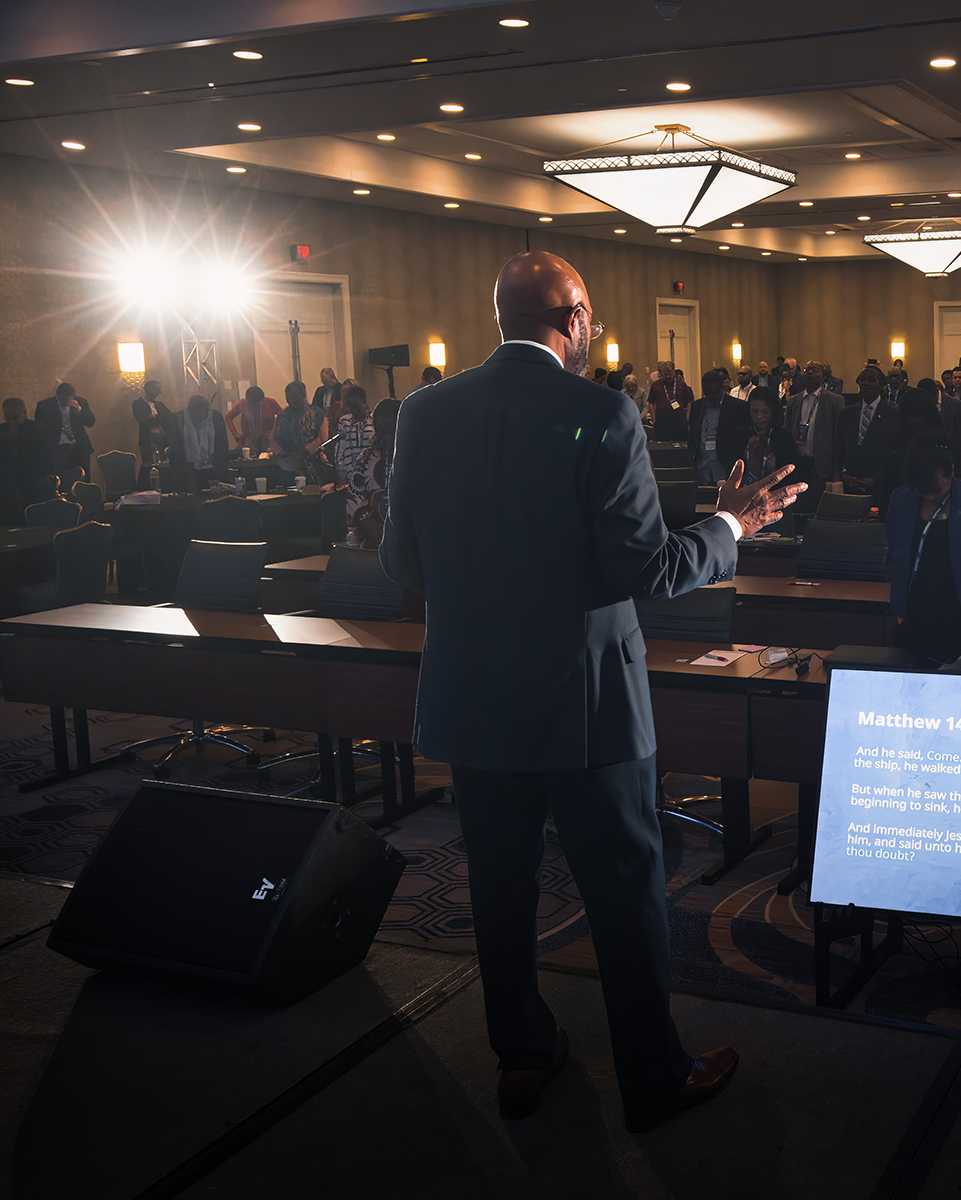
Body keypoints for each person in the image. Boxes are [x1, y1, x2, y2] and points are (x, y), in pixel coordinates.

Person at [381, 250, 803, 1132]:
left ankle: (523, 1055)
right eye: (593, 321)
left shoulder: (422, 412)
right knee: (623, 894)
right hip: (585, 712)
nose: (594, 335)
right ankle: (652, 1078)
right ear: (573, 320)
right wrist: (732, 523)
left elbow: (399, 563)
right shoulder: (601, 412)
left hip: (472, 703)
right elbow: (646, 569)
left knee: (499, 889)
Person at [885, 434, 961, 665]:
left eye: (936, 490)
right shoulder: (901, 499)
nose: (928, 496)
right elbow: (896, 548)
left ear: (950, 471)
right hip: (917, 613)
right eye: (921, 491)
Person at [343, 398, 397, 549]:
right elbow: (353, 499)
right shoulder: (366, 458)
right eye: (382, 423)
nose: (387, 430)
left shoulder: (415, 457)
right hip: (373, 545)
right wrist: (368, 524)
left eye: (390, 423)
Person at [839, 365, 899, 498]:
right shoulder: (847, 413)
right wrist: (843, 474)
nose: (866, 383)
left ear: (882, 384)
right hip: (850, 484)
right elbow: (839, 446)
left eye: (871, 380)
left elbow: (895, 454)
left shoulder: (893, 414)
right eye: (863, 379)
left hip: (880, 486)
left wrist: (876, 479)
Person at [723, 388, 800, 490]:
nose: (759, 416)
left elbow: (790, 473)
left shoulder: (784, 438)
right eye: (754, 411)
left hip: (775, 494)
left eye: (765, 412)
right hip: (744, 493)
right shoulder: (739, 435)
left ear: (773, 411)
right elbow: (730, 467)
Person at [784, 360, 843, 484]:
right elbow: (787, 431)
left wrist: (837, 469)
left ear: (824, 377)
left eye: (815, 370)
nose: (810, 372)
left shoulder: (835, 401)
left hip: (822, 465)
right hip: (798, 463)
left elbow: (840, 437)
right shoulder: (794, 400)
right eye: (807, 370)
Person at [687, 368, 747, 486]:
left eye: (714, 393)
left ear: (722, 388)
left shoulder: (738, 407)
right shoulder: (697, 407)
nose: (711, 397)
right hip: (702, 467)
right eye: (707, 393)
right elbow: (693, 435)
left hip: (725, 467)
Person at [165, 394, 230, 491]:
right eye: (195, 407)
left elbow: (222, 443)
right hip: (186, 471)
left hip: (213, 469)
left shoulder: (216, 417)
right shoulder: (177, 419)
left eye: (201, 407)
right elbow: (173, 444)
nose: (198, 411)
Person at [0, 395, 57, 502]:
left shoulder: (37, 429)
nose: (12, 421)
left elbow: (46, 455)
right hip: (10, 480)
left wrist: (48, 476)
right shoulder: (1, 431)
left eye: (15, 417)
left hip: (34, 479)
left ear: (24, 413)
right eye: (9, 417)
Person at [35, 381, 96, 482]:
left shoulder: (80, 402)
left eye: (70, 399)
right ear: (58, 396)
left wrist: (79, 410)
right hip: (57, 449)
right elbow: (41, 429)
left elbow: (91, 422)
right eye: (65, 400)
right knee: (59, 480)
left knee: (84, 480)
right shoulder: (44, 406)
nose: (68, 402)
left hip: (78, 447)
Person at [272, 381, 322, 480]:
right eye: (288, 396)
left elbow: (322, 437)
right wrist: (280, 453)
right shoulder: (282, 415)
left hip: (311, 464)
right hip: (286, 465)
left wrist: (304, 452)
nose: (291, 399)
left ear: (303, 395)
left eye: (294, 396)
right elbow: (272, 438)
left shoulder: (316, 413)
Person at [329, 384, 376, 479]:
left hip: (371, 471)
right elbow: (341, 446)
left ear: (365, 402)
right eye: (352, 407)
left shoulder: (374, 420)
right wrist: (340, 468)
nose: (355, 410)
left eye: (357, 406)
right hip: (350, 472)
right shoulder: (344, 421)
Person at [132, 380, 170, 485]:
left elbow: (169, 418)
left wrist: (156, 418)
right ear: (148, 389)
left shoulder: (159, 405)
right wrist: (157, 419)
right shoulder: (138, 403)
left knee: (162, 465)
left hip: (161, 441)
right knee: (149, 466)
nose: (158, 392)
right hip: (148, 440)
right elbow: (143, 420)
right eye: (156, 390)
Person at [226, 384, 279, 459]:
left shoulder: (270, 403)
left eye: (257, 403)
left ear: (262, 399)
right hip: (249, 442)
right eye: (252, 403)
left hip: (267, 441)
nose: (255, 406)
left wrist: (274, 432)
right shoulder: (243, 404)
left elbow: (283, 417)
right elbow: (228, 417)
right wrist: (235, 434)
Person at [647, 360, 693, 439]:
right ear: (661, 374)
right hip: (662, 422)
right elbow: (650, 403)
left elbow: (690, 401)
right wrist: (654, 420)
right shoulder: (656, 385)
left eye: (670, 374)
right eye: (665, 374)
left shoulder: (681, 384)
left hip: (679, 421)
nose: (668, 377)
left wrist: (687, 418)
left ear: (674, 372)